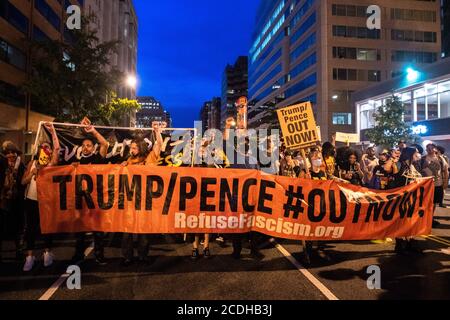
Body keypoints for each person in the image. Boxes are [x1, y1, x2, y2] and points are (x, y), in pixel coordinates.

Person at [121, 122, 163, 266]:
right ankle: (127, 256)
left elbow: (159, 145)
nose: (131, 150)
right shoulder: (129, 161)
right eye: (130, 148)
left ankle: (143, 256)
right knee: (127, 230)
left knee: (144, 229)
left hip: (145, 199)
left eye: (133, 148)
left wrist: (157, 131)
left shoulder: (150, 158)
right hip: (130, 200)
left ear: (140, 148)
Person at [71, 117, 110, 265]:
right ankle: (78, 255)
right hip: (81, 200)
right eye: (84, 145)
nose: (86, 147)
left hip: (95, 201)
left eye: (89, 145)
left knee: (98, 231)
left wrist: (92, 131)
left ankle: (99, 255)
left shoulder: (98, 158)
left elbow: (105, 143)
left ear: (93, 148)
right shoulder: (76, 162)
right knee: (79, 231)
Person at [21, 123, 60, 272]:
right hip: (31, 200)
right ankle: (29, 257)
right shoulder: (32, 163)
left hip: (47, 201)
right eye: (43, 147)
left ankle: (46, 253)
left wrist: (53, 132)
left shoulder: (52, 164)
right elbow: (23, 182)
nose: (46, 149)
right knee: (31, 229)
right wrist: (32, 173)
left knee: (46, 228)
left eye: (47, 147)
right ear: (38, 150)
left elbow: (57, 148)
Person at [393, 147, 423, 254]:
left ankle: (410, 242)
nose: (418, 155)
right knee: (401, 221)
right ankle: (400, 244)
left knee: (410, 221)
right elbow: (392, 173)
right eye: (416, 153)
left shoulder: (413, 166)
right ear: (410, 154)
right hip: (401, 198)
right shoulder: (400, 165)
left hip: (412, 198)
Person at [0, 142, 25, 263]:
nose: (10, 155)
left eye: (13, 153)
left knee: (18, 226)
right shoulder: (1, 165)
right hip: (3, 200)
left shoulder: (22, 166)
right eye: (8, 153)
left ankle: (19, 250)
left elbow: (24, 182)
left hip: (17, 200)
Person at [420, 143, 447, 227]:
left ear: (435, 149)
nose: (429, 149)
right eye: (428, 148)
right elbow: (419, 170)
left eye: (431, 148)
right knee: (425, 203)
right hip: (426, 184)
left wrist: (445, 182)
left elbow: (445, 171)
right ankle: (424, 219)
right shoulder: (423, 158)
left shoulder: (440, 158)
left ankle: (430, 218)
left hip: (437, 184)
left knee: (434, 203)